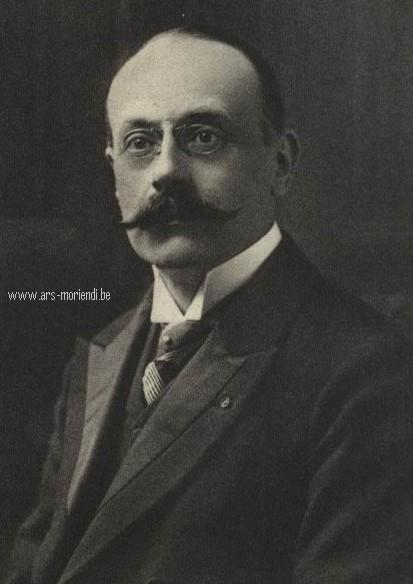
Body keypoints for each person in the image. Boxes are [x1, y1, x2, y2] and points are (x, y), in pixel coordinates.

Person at [6, 25, 413, 584]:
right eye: (140, 142)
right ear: (114, 171)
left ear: (280, 163)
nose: (166, 171)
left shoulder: (366, 371)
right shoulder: (102, 354)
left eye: (202, 137)